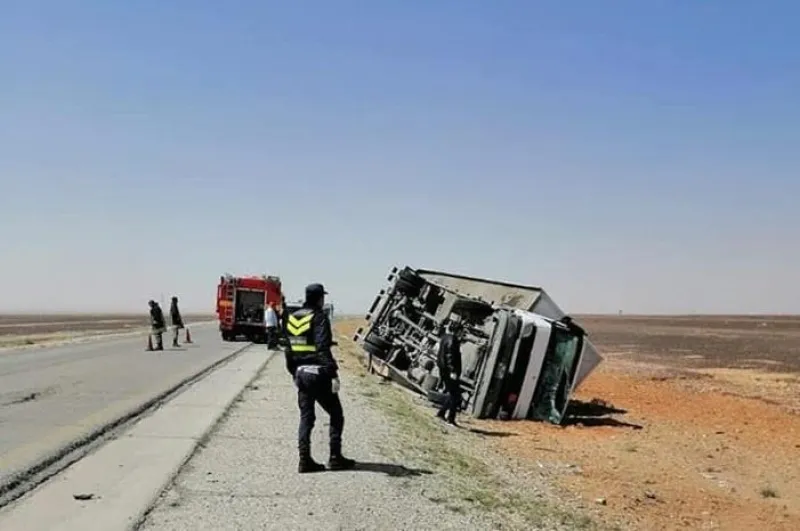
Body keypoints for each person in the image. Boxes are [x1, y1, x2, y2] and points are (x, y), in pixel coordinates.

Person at [284, 283, 355, 473]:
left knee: (306, 418)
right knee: (336, 414)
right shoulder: (319, 317)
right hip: (318, 373)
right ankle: (335, 458)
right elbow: (322, 348)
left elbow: (288, 349)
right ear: (319, 298)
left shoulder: (293, 317)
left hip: (301, 373)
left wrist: (294, 372)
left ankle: (304, 460)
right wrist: (333, 373)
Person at [436, 320, 464, 425]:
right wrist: (453, 371)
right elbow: (449, 357)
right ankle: (450, 418)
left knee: (452, 394)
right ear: (458, 331)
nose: (462, 334)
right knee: (456, 395)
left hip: (443, 369)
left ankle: (442, 413)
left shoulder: (445, 337)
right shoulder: (453, 340)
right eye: (461, 331)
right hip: (449, 371)